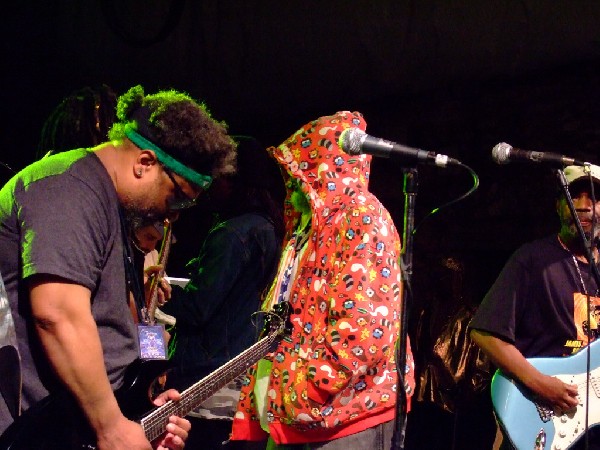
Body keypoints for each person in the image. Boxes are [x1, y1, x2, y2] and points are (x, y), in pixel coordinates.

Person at [0, 84, 237, 449]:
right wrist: (111, 427)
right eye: (178, 198)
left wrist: (145, 408)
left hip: (92, 419)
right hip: (41, 428)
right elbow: (58, 314)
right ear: (144, 163)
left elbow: (121, 326)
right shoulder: (68, 187)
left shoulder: (117, 208)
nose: (173, 215)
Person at [230, 111, 415, 449]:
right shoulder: (309, 226)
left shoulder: (361, 219)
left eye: (299, 171)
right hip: (297, 416)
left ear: (323, 167)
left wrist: (305, 390)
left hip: (344, 418)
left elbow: (363, 330)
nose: (292, 183)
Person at [161, 135, 285, 449]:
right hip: (243, 378)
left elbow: (199, 308)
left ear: (233, 180)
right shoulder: (270, 229)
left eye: (216, 178)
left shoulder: (232, 233)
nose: (209, 187)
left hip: (208, 381)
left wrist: (160, 293)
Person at [469, 164, 600, 449]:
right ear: (558, 205)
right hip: (545, 414)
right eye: (573, 196)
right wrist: (540, 384)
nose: (584, 206)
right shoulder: (532, 260)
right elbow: (484, 332)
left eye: (593, 198)